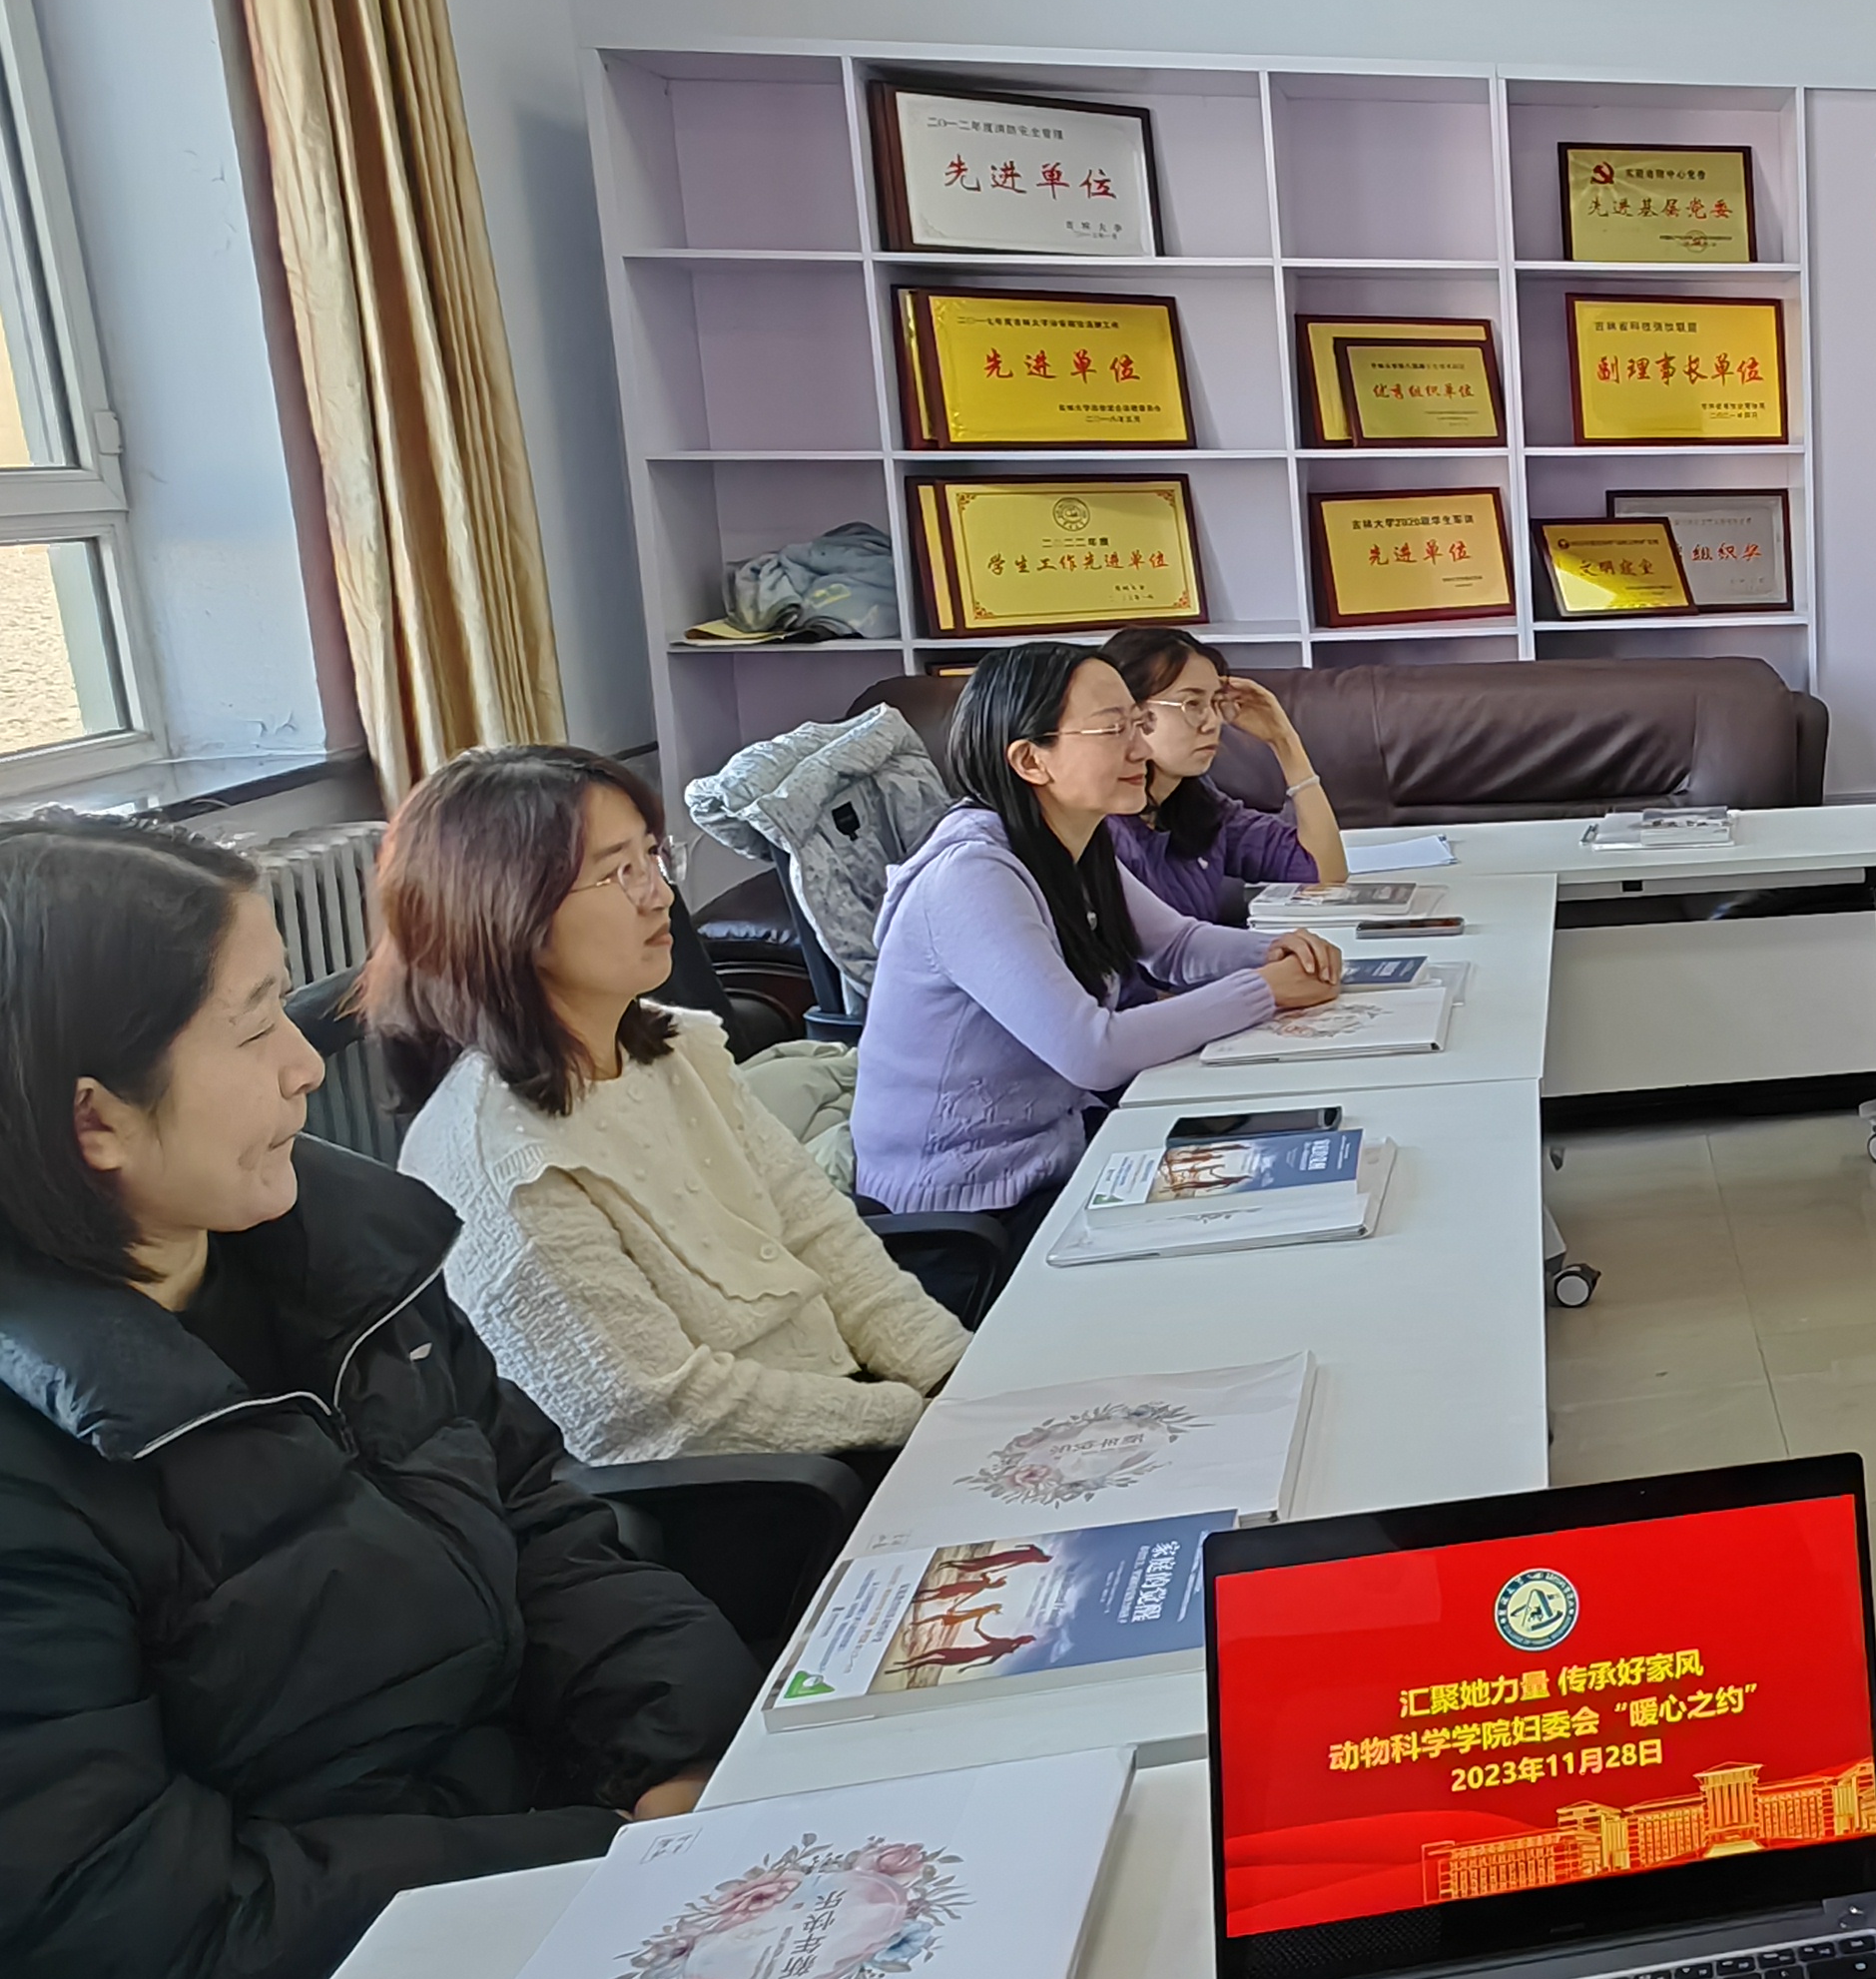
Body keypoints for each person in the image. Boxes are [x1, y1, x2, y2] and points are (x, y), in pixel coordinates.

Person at [0, 817, 752, 1979]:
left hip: (565, 1871)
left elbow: (540, 1514)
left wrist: (676, 1754)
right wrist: (592, 1852)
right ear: (93, 1119)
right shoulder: (34, 1460)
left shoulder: (342, 1258)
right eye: (251, 1033)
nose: (306, 1064)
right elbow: (130, 1915)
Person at [375, 747, 967, 1463]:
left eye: (653, 857)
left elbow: (817, 1231)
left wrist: (957, 1375)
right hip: (765, 1488)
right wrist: (915, 1418)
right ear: (505, 910)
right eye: (617, 872)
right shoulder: (504, 1160)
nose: (659, 895)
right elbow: (654, 1410)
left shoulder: (681, 1047)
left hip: (861, 1419)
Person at [854, 642, 1346, 1218]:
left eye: (1138, 723)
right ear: (1031, 760)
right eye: (1114, 729)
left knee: (1311, 1162)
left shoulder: (1068, 843)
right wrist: (1264, 989)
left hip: (1062, 1150)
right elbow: (1092, 1050)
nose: (1140, 748)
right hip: (967, 1206)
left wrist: (1279, 950)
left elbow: (1176, 945)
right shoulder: (972, 876)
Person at [1102, 626, 1349, 924]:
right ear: (1131, 712)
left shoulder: (1196, 801)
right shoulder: (1103, 828)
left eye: (1214, 703)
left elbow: (1322, 873)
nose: (1212, 722)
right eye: (1192, 704)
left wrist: (1284, 741)